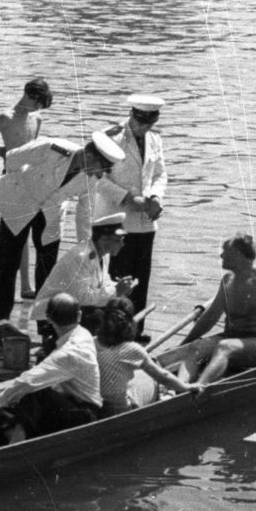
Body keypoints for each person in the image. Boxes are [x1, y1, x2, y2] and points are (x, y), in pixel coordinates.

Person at [0, 132, 125, 342]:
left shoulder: (90, 178)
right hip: (19, 203)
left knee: (47, 269)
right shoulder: (51, 147)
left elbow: (85, 213)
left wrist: (88, 250)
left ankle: (48, 328)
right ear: (90, 156)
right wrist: (18, 186)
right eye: (100, 168)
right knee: (7, 262)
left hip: (51, 212)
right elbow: (13, 158)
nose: (100, 175)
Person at [82, 95, 168, 338]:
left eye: (149, 124)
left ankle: (134, 330)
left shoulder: (155, 139)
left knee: (140, 280)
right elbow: (98, 180)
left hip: (145, 222)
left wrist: (155, 198)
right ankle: (110, 332)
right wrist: (130, 198)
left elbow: (159, 173)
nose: (144, 129)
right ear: (133, 115)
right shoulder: (111, 137)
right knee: (114, 279)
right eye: (141, 124)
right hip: (116, 219)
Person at [0, 293, 103, 448]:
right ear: (79, 316)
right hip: (73, 405)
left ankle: (14, 447)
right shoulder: (82, 333)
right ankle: (15, 439)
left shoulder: (70, 351)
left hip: (85, 416)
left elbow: (28, 380)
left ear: (49, 318)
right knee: (15, 405)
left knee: (35, 391)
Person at [0, 78, 55, 298]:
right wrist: (0, 151)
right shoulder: (6, 117)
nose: (39, 109)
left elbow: (34, 147)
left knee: (29, 233)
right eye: (38, 103)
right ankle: (18, 289)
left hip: (32, 181)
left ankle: (27, 287)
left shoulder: (36, 118)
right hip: (11, 180)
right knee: (14, 234)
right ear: (29, 95)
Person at [179, 233, 256, 385]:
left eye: (224, 250)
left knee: (225, 346)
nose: (221, 254)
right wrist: (185, 343)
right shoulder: (227, 280)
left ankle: (198, 387)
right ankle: (176, 388)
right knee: (195, 347)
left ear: (236, 255)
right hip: (230, 336)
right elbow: (211, 317)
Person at [30, 212, 135, 344]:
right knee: (99, 318)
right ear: (103, 240)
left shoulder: (103, 253)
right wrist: (116, 290)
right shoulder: (82, 257)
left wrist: (118, 287)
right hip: (55, 314)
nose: (122, 244)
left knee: (120, 305)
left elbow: (103, 282)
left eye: (122, 240)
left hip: (75, 307)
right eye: (117, 240)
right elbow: (83, 297)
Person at [92, 296, 201, 417]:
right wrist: (186, 387)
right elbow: (163, 377)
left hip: (98, 410)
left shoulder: (91, 342)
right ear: (130, 323)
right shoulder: (133, 350)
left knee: (134, 373)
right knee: (152, 375)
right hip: (123, 413)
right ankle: (165, 395)